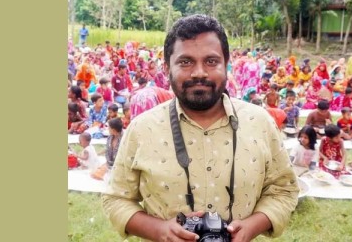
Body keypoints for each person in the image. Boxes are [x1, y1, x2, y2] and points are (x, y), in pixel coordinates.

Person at [102, 15, 298, 241]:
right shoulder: (141, 129)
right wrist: (158, 230)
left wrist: (252, 226)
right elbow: (115, 198)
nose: (199, 73)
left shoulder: (260, 123)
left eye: (211, 61)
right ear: (167, 68)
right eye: (185, 62)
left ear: (226, 65)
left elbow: (284, 189)